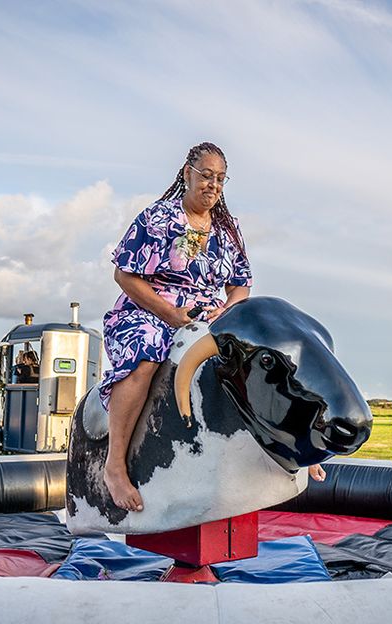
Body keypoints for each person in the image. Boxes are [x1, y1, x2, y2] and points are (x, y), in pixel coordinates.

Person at [99, 142, 324, 513]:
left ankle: (297, 445)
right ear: (187, 173)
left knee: (265, 354)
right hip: (147, 311)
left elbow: (240, 283)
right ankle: (115, 465)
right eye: (206, 175)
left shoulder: (228, 228)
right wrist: (171, 315)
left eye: (220, 179)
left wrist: (229, 312)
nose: (213, 185)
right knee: (146, 353)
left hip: (209, 315)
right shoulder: (157, 218)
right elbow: (124, 275)